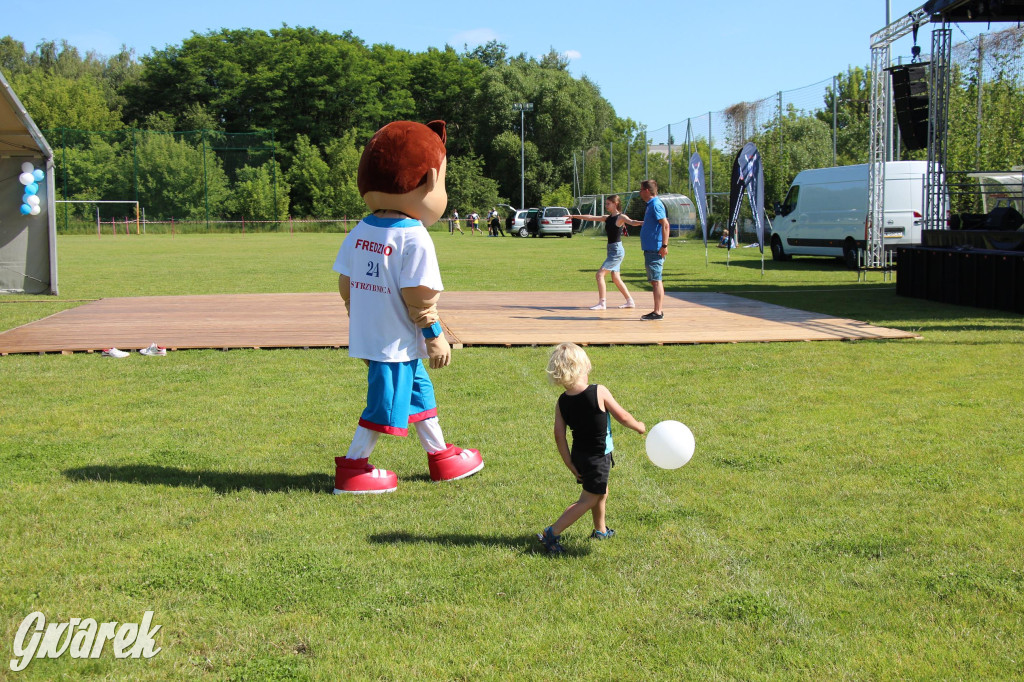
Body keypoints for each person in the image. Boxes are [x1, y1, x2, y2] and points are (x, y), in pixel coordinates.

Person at [332, 120, 483, 494]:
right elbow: (420, 295)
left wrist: (360, 316)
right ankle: (352, 469)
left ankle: (440, 456)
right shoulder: (413, 236)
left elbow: (345, 282)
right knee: (384, 403)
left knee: (419, 393)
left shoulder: (359, 230)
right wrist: (435, 336)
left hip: (373, 334)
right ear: (431, 179)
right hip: (395, 342)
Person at [537, 342, 645, 554]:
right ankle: (552, 532)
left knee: (601, 491)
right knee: (589, 498)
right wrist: (639, 426)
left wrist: (569, 462)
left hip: (580, 456)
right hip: (597, 458)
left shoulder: (562, 402)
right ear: (582, 368)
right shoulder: (599, 391)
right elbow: (622, 416)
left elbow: (559, 435)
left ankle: (600, 530)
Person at [569, 195, 643, 310]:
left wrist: (646, 222)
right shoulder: (607, 218)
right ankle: (630, 301)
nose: (606, 205)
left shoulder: (620, 217)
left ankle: (602, 303)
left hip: (617, 251)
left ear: (615, 204)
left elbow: (632, 222)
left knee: (600, 274)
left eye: (608, 203)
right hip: (611, 249)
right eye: (606, 203)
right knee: (615, 278)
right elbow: (590, 217)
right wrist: (573, 216)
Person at [638, 179, 670, 320]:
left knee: (656, 280)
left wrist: (664, 246)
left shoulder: (656, 204)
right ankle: (657, 310)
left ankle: (657, 312)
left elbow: (665, 225)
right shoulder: (650, 205)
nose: (639, 192)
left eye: (640, 189)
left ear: (646, 190)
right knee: (654, 280)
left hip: (655, 249)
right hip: (650, 248)